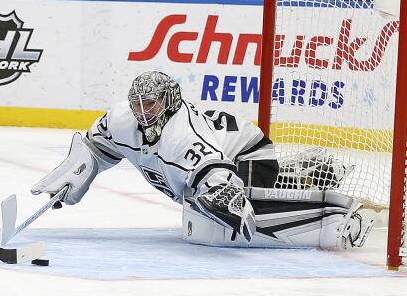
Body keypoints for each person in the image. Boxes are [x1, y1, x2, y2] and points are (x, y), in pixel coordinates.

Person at [31, 71, 374, 250]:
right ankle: (305, 170)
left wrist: (223, 196)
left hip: (247, 153)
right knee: (201, 211)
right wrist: (79, 169)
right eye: (137, 103)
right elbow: (95, 146)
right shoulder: (122, 118)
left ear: (168, 101)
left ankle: (320, 193)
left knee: (222, 219)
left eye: (149, 103)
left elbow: (215, 173)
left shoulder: (184, 135)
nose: (142, 111)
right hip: (218, 154)